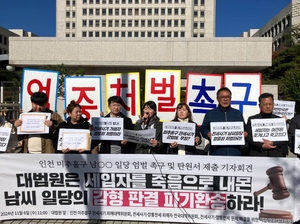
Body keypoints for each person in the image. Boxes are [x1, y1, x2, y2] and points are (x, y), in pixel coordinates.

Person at [200, 87, 247, 156]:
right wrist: (207, 134)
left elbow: (244, 128)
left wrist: (245, 133)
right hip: (216, 152)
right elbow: (203, 128)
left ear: (230, 98)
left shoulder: (237, 113)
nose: (225, 99)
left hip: (235, 152)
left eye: (227, 97)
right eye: (222, 97)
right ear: (217, 99)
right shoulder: (210, 113)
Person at [246, 93, 289, 157]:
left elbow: (285, 138)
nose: (268, 106)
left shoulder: (280, 120)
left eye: (270, 104)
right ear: (259, 105)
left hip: (276, 155)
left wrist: (272, 143)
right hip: (258, 154)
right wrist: (261, 146)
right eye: (265, 104)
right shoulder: (252, 119)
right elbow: (248, 136)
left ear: (273, 105)